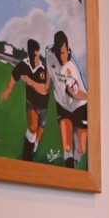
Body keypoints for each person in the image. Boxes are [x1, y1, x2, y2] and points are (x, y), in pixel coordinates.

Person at [0, 38, 47, 161]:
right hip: (31, 103)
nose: (35, 57)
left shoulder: (43, 69)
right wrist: (8, 89)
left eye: (36, 54)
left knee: (38, 132)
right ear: (29, 54)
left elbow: (44, 90)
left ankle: (33, 145)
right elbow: (14, 75)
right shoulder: (24, 65)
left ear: (38, 52)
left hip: (44, 106)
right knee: (32, 127)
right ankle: (27, 155)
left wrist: (31, 82)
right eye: (33, 55)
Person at [46, 30, 88, 169]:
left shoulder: (75, 67)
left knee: (81, 149)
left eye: (63, 53)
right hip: (62, 104)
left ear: (68, 49)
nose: (61, 57)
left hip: (79, 105)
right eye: (59, 53)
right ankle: (69, 170)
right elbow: (49, 70)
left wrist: (75, 94)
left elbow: (86, 94)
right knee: (67, 145)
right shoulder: (49, 53)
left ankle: (75, 160)